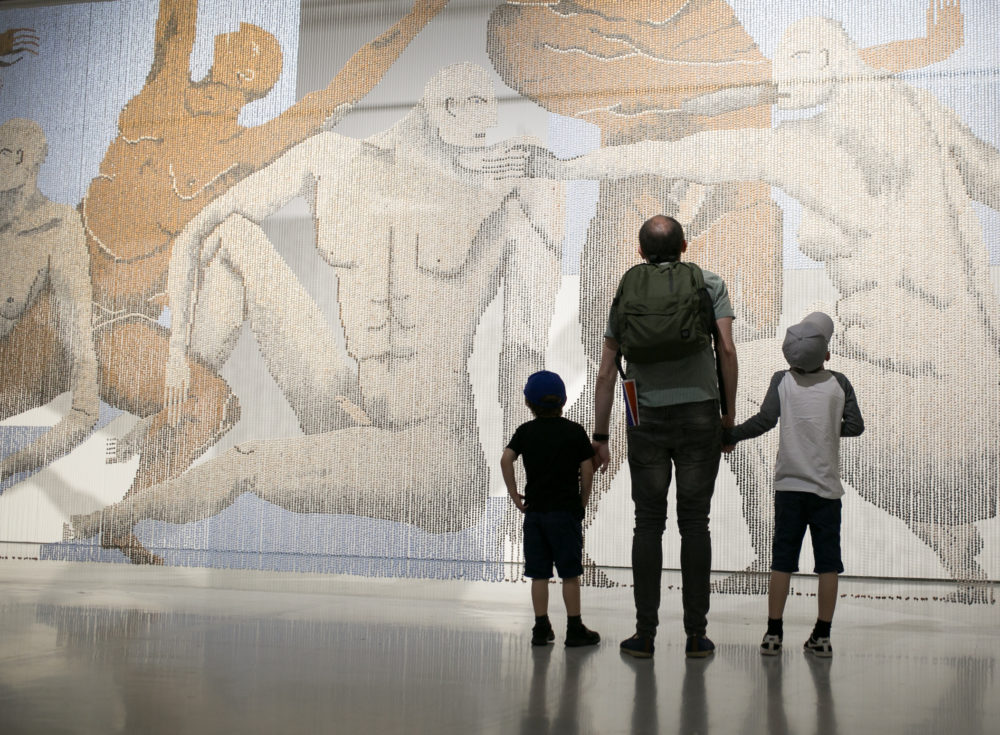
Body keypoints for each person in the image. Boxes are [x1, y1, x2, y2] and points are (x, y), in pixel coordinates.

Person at [485, 15, 1000, 602]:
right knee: (788, 389)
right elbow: (688, 149)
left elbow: (689, 157)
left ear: (830, 62)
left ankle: (772, 557)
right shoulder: (914, 122)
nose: (781, 74)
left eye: (797, 58)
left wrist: (560, 167)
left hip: (948, 420)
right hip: (963, 408)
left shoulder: (809, 153)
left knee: (759, 382)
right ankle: (957, 559)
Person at [66, 63, 564, 565]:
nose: (489, 125)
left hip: (434, 458)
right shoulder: (332, 160)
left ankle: (115, 517)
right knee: (233, 236)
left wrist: (532, 506)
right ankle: (186, 406)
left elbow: (520, 363)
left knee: (243, 464)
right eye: (477, 106)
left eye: (491, 112)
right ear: (443, 106)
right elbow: (202, 228)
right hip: (351, 411)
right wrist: (179, 368)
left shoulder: (500, 208)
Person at [77, 0, 448, 512]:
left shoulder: (247, 150)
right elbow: (177, 21)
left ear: (253, 75)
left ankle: (127, 513)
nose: (235, 42)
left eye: (249, 44)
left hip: (121, 326)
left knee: (213, 394)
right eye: (238, 36)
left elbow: (342, 93)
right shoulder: (164, 95)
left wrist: (420, 17)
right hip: (67, 279)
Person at [590, 215, 737, 659]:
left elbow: (605, 372)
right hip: (699, 413)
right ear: (685, 246)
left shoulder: (628, 287)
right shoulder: (709, 283)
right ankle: (696, 635)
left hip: (644, 415)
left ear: (640, 251)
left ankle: (645, 635)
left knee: (647, 524)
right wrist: (728, 417)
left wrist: (600, 434)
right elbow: (727, 351)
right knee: (695, 523)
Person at [723, 312, 864, 659]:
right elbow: (856, 426)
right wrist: (829, 430)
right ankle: (823, 635)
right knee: (829, 564)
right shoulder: (840, 383)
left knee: (782, 561)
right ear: (827, 354)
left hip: (788, 488)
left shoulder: (781, 381)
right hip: (826, 492)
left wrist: (731, 435)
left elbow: (764, 421)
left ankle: (773, 634)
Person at [1, 118, 99, 485]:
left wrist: (14, 464)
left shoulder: (58, 227)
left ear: (26, 160)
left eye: (5, 153)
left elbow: (80, 334)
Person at [501, 370, 600, 648]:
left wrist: (514, 495)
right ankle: (574, 627)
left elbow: (506, 459)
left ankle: (541, 627)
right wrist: (582, 501)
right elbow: (587, 468)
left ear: (528, 403)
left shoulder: (525, 432)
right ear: (563, 400)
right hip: (565, 513)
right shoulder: (573, 431)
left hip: (535, 515)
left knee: (539, 573)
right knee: (569, 573)